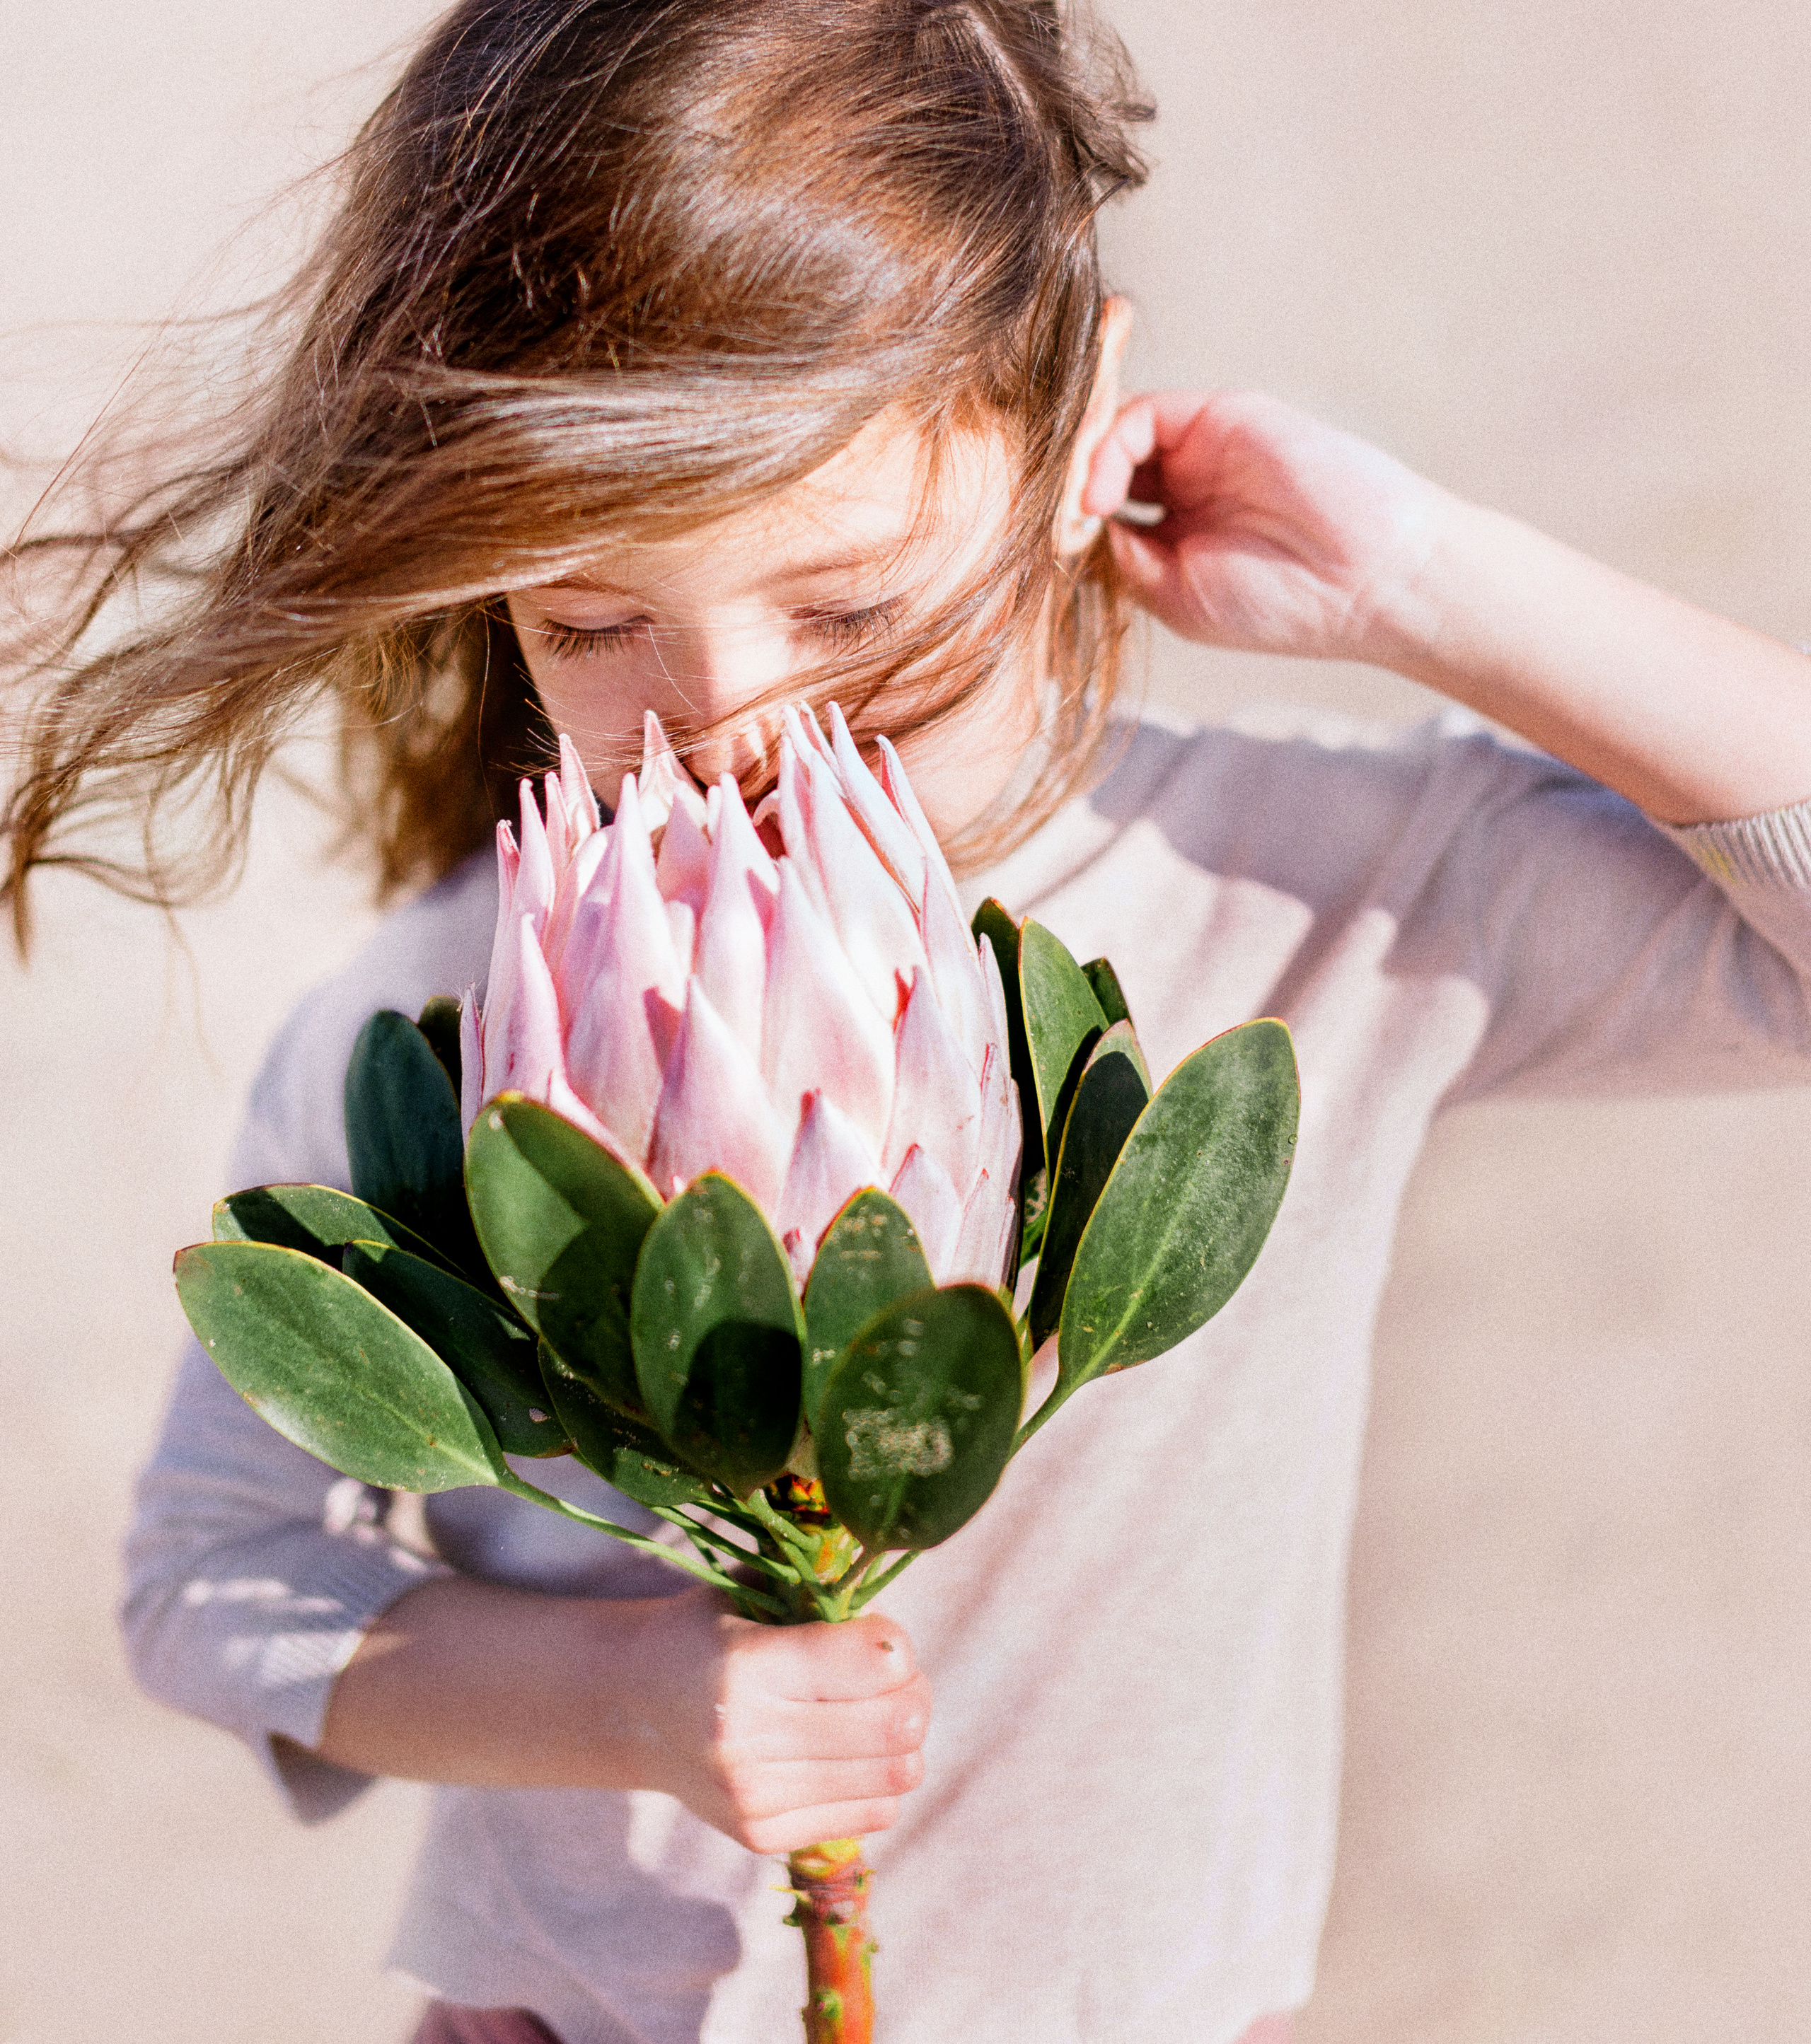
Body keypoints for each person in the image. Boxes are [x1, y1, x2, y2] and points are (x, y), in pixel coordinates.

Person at [8, 2, 1810, 2040]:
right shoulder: (443, 1009)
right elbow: (212, 1574)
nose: (735, 722)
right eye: (588, 624)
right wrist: (627, 1702)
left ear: (1070, 437)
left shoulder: (1317, 907)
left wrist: (1413, 572)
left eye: (851, 609)